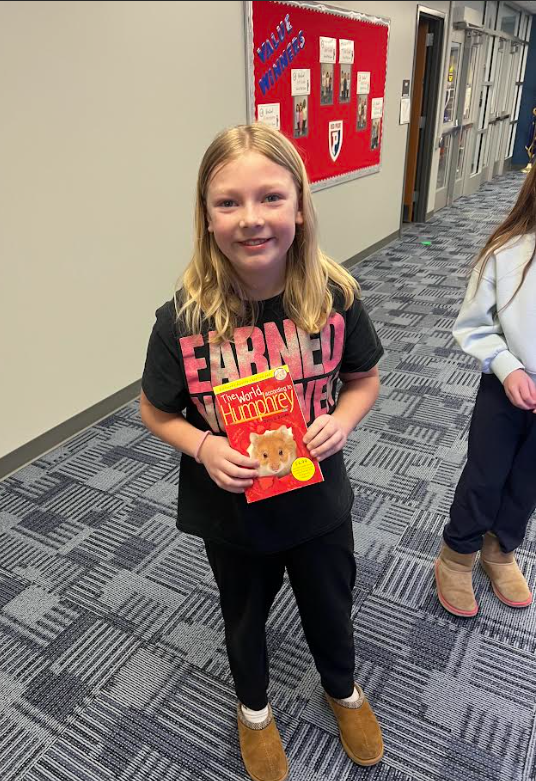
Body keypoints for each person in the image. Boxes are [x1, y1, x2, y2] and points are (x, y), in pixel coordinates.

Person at [140, 124, 384, 781]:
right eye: (228, 202)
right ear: (206, 216)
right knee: (242, 617)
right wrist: (202, 445)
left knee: (330, 606)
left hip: (317, 501)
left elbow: (363, 379)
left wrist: (342, 418)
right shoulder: (183, 319)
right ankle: (253, 710)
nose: (251, 219)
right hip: (233, 513)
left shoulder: (333, 297)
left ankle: (342, 688)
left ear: (300, 205)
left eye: (271, 197)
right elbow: (154, 409)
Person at [435, 164, 536, 618]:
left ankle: (500, 551)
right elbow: (474, 325)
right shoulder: (508, 251)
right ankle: (457, 556)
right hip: (506, 386)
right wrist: (507, 366)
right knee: (486, 475)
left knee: (527, 483)